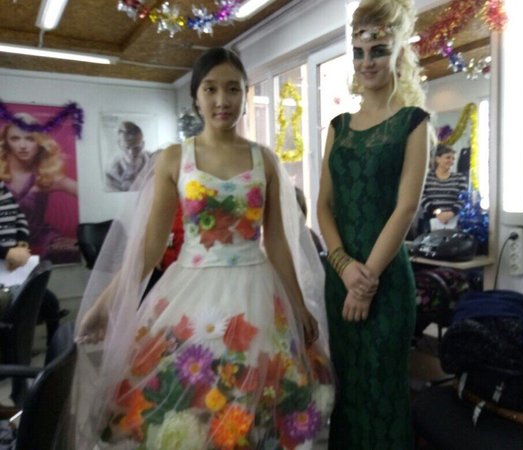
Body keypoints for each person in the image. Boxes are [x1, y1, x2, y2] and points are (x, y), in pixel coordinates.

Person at [73, 47, 334, 449]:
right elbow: (151, 245)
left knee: (254, 410)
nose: (222, 100)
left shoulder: (264, 160)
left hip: (258, 293)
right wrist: (108, 303)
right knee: (188, 401)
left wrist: (299, 305)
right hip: (189, 292)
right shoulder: (175, 159)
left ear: (245, 94)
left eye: (232, 89)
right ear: (196, 97)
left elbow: (278, 242)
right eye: (210, 89)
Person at [316, 0, 430, 448]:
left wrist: (365, 284)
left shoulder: (412, 123)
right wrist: (344, 268)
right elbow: (323, 205)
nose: (367, 62)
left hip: (386, 285)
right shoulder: (338, 127)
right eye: (360, 52)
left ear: (398, 51)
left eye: (379, 50)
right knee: (347, 390)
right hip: (340, 278)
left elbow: (406, 209)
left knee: (383, 392)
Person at [0, 113, 78, 261]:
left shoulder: (46, 176)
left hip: (43, 241)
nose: (23, 146)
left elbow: (88, 192)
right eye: (15, 139)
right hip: (5, 245)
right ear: (6, 142)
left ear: (40, 142)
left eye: (30, 139)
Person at [0, 180, 66, 346]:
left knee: (49, 302)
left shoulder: (2, 188)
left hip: (10, 269)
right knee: (13, 314)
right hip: (5, 263)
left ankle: (52, 347)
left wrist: (21, 242)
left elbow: (19, 217)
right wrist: (6, 253)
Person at [420, 143, 468, 231]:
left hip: (454, 220)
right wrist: (438, 213)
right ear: (437, 159)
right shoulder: (426, 178)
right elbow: (421, 197)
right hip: (431, 220)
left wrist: (451, 213)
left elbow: (463, 198)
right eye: (448, 157)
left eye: (453, 159)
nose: (451, 161)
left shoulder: (459, 178)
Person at [105, 121, 151, 192]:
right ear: (119, 144)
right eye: (127, 148)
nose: (131, 153)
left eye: (136, 148)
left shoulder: (155, 161)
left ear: (143, 144)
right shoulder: (111, 174)